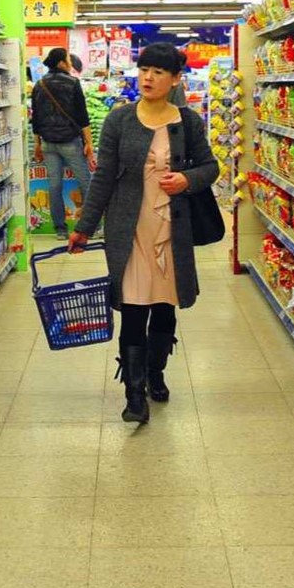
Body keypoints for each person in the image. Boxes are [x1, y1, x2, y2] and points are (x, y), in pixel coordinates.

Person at [69, 43, 219, 424]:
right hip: (130, 229)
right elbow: (103, 177)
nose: (148, 78)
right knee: (134, 309)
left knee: (165, 306)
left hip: (172, 231)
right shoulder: (120, 120)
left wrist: (186, 178)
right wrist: (85, 227)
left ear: (174, 80)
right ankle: (134, 393)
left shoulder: (187, 122)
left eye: (157, 72)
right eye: (144, 70)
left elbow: (210, 167)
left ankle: (156, 373)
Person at [31, 47, 96, 240]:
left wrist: (37, 144)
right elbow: (82, 116)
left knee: (54, 186)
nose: (70, 62)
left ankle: (60, 229)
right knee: (85, 182)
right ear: (61, 63)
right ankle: (89, 226)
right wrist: (89, 143)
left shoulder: (39, 84)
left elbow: (36, 118)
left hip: (48, 143)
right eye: (68, 59)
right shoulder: (73, 83)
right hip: (70, 142)